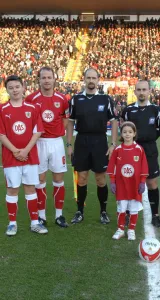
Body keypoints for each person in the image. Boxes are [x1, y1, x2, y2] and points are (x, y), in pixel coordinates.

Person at [67, 68, 118, 224]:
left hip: (100, 141)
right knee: (81, 179)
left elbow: (114, 121)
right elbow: (70, 122)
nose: (91, 80)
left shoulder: (106, 99)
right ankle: (79, 211)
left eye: (93, 78)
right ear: (84, 79)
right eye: (88, 77)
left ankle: (103, 212)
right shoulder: (76, 99)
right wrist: (69, 144)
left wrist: (113, 144)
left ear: (98, 80)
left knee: (101, 179)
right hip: (81, 141)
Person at [0, 75, 48, 235]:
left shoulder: (33, 108)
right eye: (11, 88)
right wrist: (15, 151)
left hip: (30, 157)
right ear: (7, 90)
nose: (14, 90)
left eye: (17, 87)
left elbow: (38, 131)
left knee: (30, 188)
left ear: (23, 87)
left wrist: (26, 151)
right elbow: (2, 134)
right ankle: (12, 223)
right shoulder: (2, 109)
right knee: (12, 189)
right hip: (10, 158)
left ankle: (35, 222)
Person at [25, 67, 69, 228]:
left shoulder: (62, 99)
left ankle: (59, 215)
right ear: (39, 80)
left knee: (58, 179)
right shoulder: (31, 99)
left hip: (56, 143)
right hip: (39, 142)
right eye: (43, 78)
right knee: (40, 179)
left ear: (54, 79)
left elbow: (65, 118)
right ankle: (42, 216)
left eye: (49, 77)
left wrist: (59, 132)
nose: (46, 80)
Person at [121, 80, 160, 228]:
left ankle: (155, 215)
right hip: (131, 149)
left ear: (149, 91)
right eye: (138, 90)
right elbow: (124, 130)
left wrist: (148, 139)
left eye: (144, 89)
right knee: (129, 182)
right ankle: (127, 213)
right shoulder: (128, 110)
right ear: (134, 92)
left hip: (150, 149)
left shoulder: (156, 110)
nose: (141, 92)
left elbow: (159, 130)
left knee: (152, 182)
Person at [107, 121, 148, 240]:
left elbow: (144, 166)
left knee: (134, 207)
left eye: (130, 132)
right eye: (124, 132)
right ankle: (120, 229)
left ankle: (131, 230)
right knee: (121, 207)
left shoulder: (139, 149)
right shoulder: (118, 149)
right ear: (121, 134)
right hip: (121, 185)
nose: (127, 134)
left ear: (134, 133)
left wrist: (142, 181)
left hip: (134, 185)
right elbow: (112, 166)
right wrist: (112, 181)